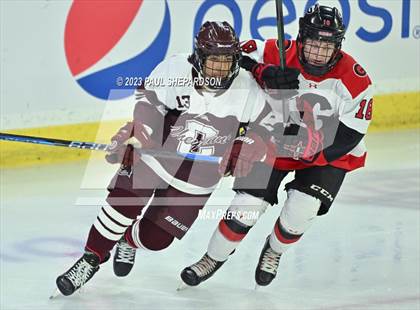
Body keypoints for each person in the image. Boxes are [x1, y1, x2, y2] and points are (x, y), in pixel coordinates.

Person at [54, 21, 299, 296]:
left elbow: (269, 125)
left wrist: (246, 145)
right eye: (213, 61)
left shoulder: (248, 86)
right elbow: (149, 101)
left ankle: (128, 240)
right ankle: (90, 259)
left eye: (226, 61)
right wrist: (142, 134)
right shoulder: (175, 68)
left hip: (199, 176)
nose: (220, 70)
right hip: (157, 154)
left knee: (155, 239)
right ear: (198, 57)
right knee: (123, 201)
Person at [180, 4, 374, 287]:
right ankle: (212, 258)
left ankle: (274, 250)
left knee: (302, 209)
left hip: (326, 153)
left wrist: (314, 152)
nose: (319, 53)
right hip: (272, 140)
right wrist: (263, 70)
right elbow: (233, 55)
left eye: (327, 45)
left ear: (339, 45)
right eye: (313, 43)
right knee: (245, 207)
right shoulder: (276, 50)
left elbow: (351, 135)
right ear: (300, 38)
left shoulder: (355, 79)